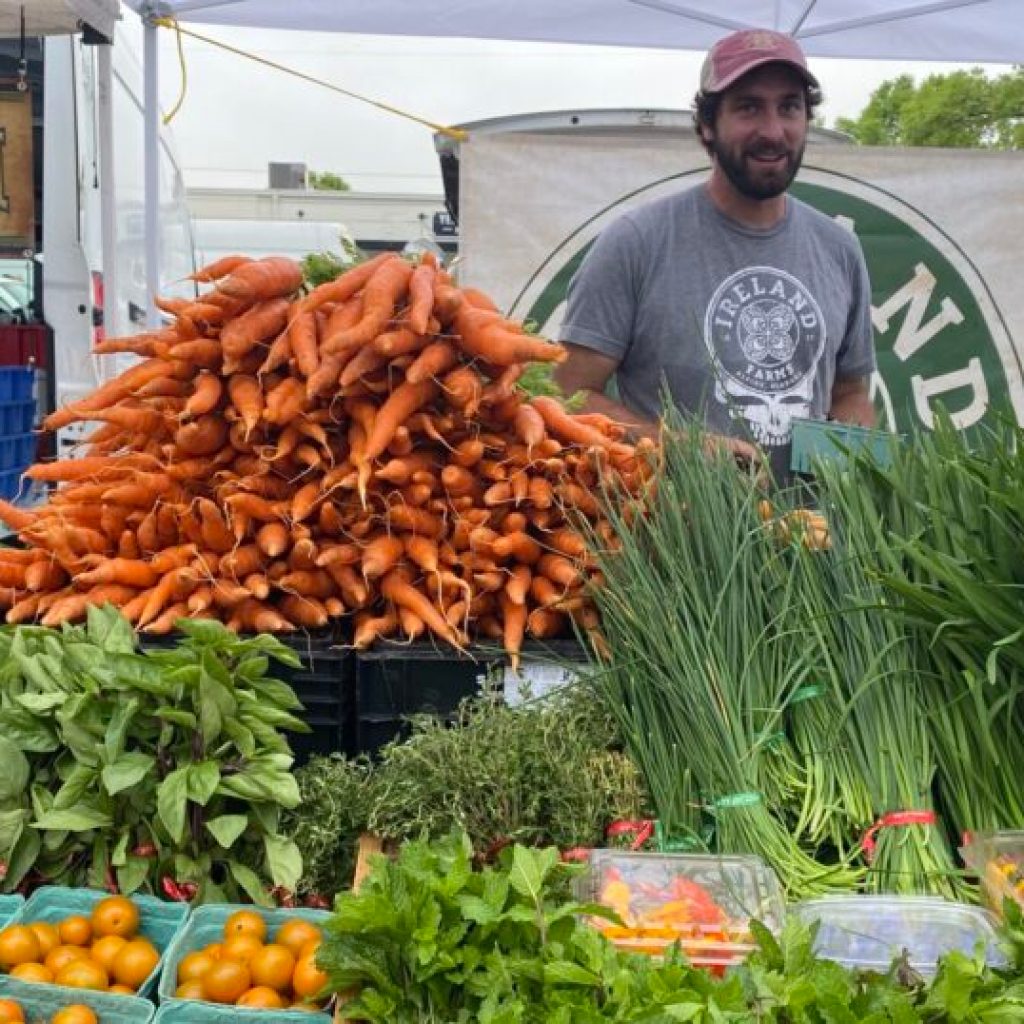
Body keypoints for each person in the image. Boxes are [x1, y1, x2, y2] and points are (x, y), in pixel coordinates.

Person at [554, 28, 876, 483]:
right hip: (675, 539)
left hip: (811, 541)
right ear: (708, 123)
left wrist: (842, 478)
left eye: (789, 107)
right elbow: (568, 393)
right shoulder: (635, 242)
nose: (772, 131)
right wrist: (671, 445)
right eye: (748, 107)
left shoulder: (839, 249)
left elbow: (851, 394)